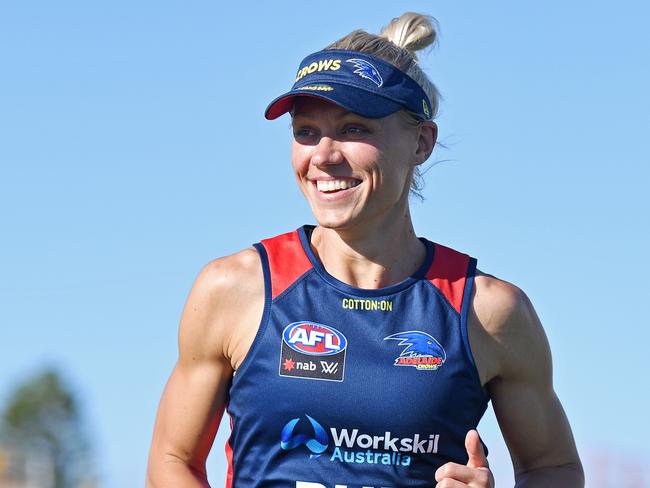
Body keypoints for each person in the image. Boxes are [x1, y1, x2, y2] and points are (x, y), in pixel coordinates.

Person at [146, 12, 584, 488]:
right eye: (306, 131)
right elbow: (172, 460)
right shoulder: (235, 288)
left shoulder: (489, 311)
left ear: (421, 142)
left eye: (354, 129)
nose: (324, 155)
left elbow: (553, 469)